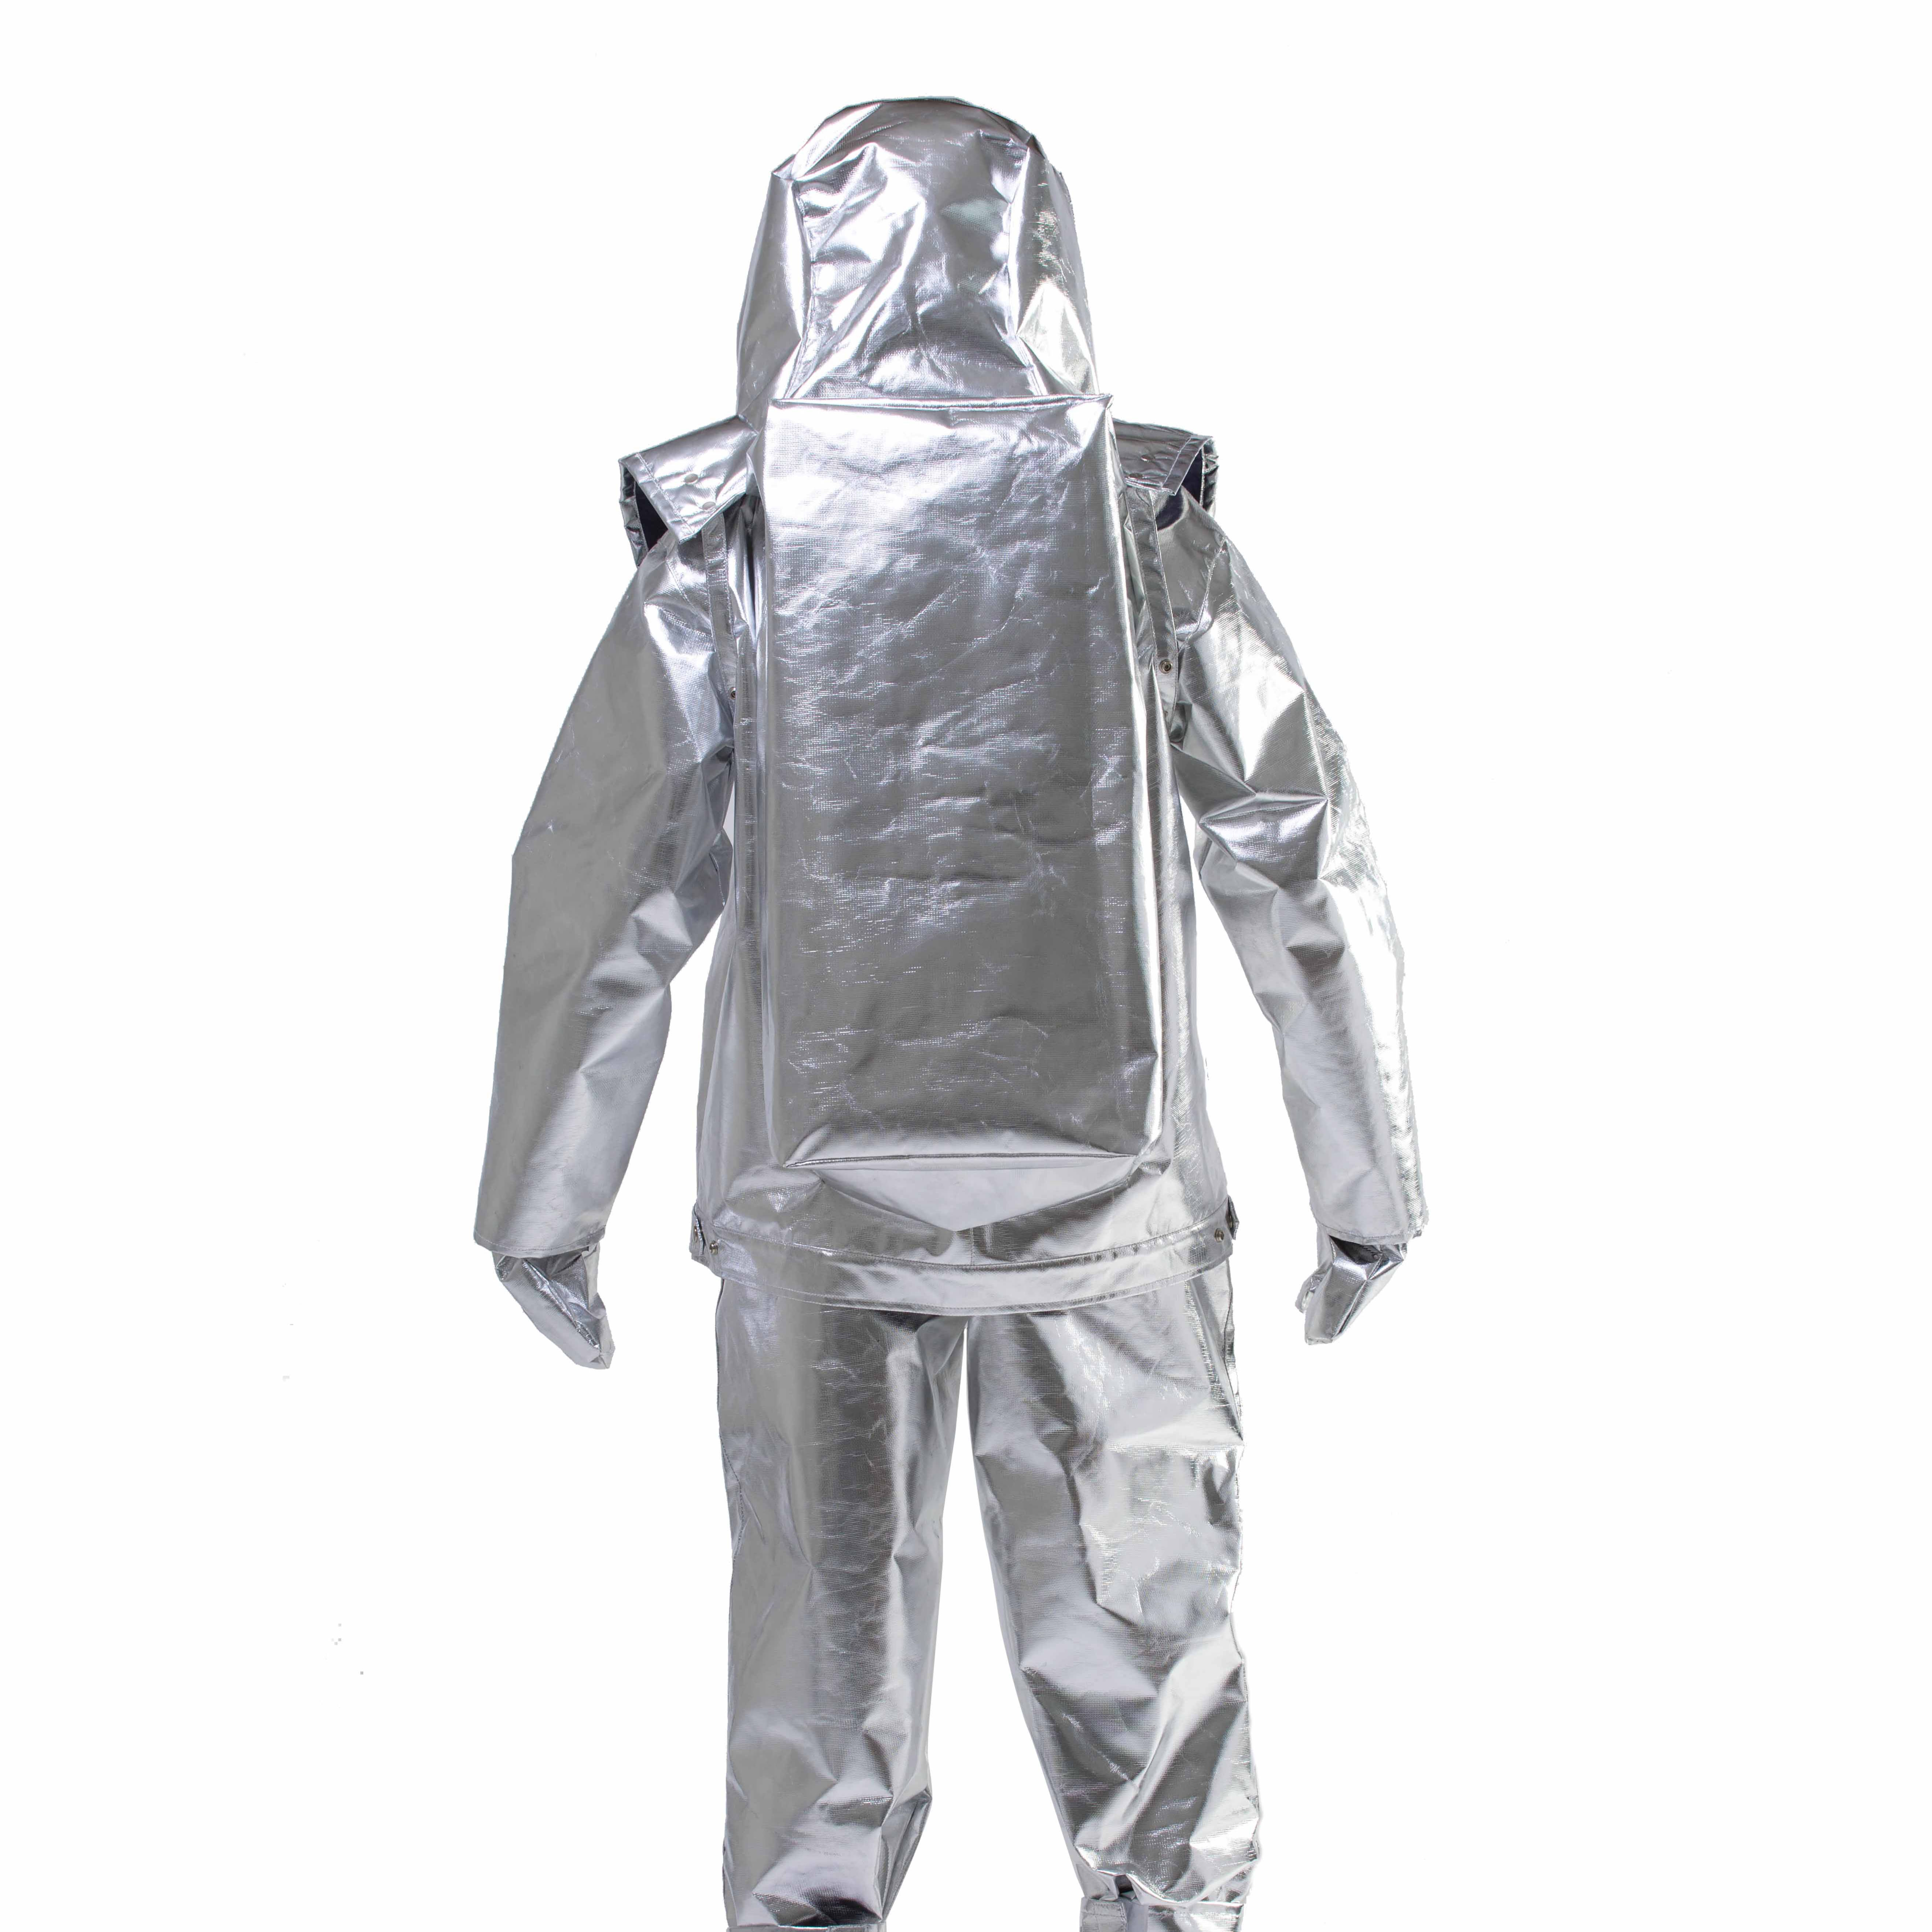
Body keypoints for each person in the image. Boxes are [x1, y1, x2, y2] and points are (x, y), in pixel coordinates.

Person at [477, 96, 1424, 1932]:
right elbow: (1301, 860)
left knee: (820, 1681)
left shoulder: (729, 552)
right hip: (1118, 1215)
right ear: (1043, 265)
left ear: (790, 274)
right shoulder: (1145, 539)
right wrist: (1366, 1176)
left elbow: (604, 886)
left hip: (816, 1221)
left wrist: (544, 1196)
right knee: (1151, 1668)